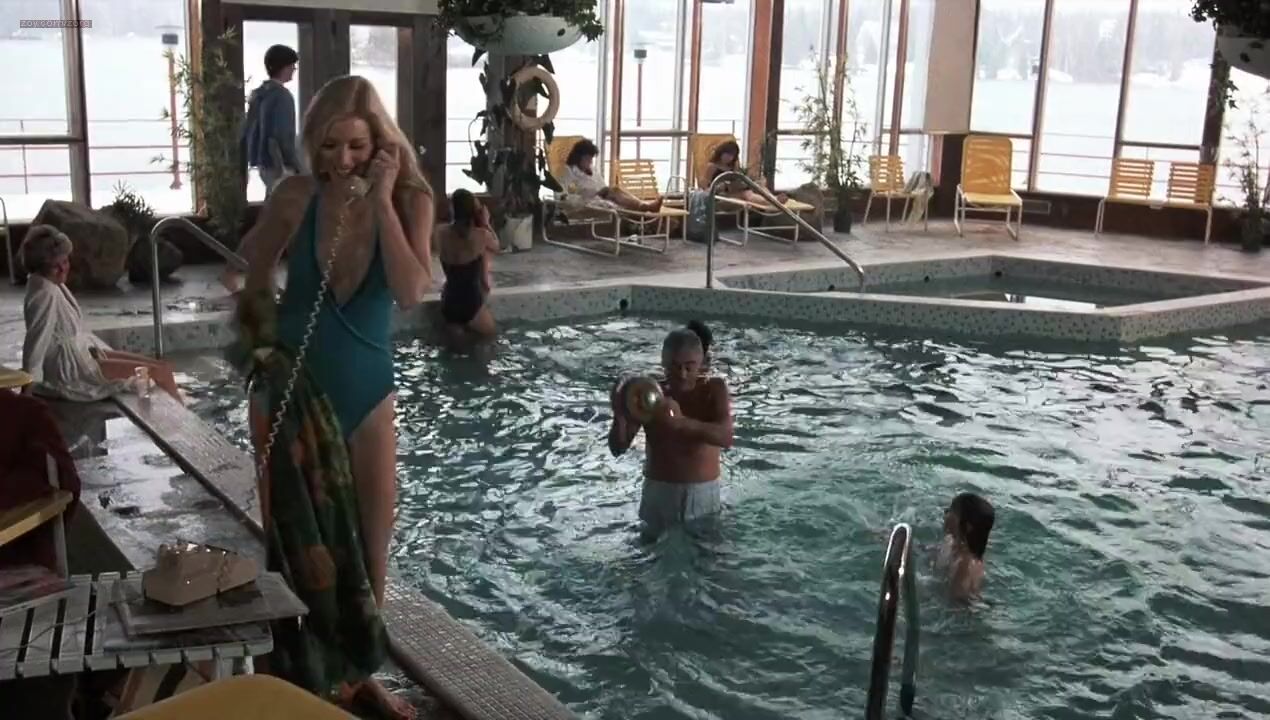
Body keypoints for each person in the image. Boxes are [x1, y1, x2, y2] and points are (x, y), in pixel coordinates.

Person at [225, 74, 432, 720]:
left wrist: (384, 201)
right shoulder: (295, 195)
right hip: (291, 388)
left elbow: (411, 291)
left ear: (382, 145)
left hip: (368, 391)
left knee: (371, 546)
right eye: (329, 146)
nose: (342, 160)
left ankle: (360, 675)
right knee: (293, 547)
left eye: (357, 147)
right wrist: (259, 353)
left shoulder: (412, 198)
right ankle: (293, 674)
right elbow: (246, 274)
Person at [20, 225, 182, 402]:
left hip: (82, 355)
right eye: (54, 266)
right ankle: (182, 418)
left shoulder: (49, 283)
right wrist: (27, 390)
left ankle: (179, 412)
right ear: (40, 267)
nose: (62, 269)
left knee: (163, 366)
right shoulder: (44, 292)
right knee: (162, 372)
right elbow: (35, 341)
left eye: (65, 261)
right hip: (72, 369)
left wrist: (95, 351)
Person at [608, 324, 734, 540]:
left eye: (689, 367)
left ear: (701, 363)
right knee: (650, 556)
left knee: (707, 557)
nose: (682, 374)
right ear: (663, 363)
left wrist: (682, 423)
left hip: (701, 494)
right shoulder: (649, 393)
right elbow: (618, 448)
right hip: (658, 493)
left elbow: (726, 437)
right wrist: (619, 414)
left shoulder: (714, 389)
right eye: (674, 367)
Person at [435, 189, 498, 339]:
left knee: (456, 348)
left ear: (453, 209)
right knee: (491, 341)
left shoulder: (439, 232)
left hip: (449, 302)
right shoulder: (481, 236)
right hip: (471, 303)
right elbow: (497, 246)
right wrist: (486, 223)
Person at [243, 44, 303, 195]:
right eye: (292, 66)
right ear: (284, 67)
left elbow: (248, 130)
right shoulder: (283, 97)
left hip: (262, 161)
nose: (294, 69)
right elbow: (283, 135)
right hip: (279, 162)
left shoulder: (259, 95)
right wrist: (296, 165)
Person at [563, 139, 664, 213]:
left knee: (615, 190)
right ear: (578, 157)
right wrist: (592, 195)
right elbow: (567, 197)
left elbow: (602, 187)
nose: (590, 162)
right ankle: (645, 207)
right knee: (615, 193)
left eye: (591, 159)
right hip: (588, 202)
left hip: (602, 198)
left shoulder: (592, 170)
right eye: (587, 159)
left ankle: (644, 206)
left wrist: (602, 192)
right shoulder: (569, 173)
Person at [935, 492, 995, 601]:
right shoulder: (951, 543)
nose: (946, 514)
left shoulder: (965, 566)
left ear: (967, 527)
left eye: (951, 511)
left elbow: (955, 603)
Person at [702, 139, 788, 205]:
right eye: (727, 154)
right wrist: (719, 187)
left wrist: (747, 182)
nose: (729, 158)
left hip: (735, 189)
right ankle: (774, 201)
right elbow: (704, 186)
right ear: (721, 152)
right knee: (747, 194)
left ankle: (774, 198)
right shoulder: (712, 166)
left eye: (732, 156)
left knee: (759, 186)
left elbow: (738, 179)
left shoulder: (732, 166)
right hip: (722, 195)